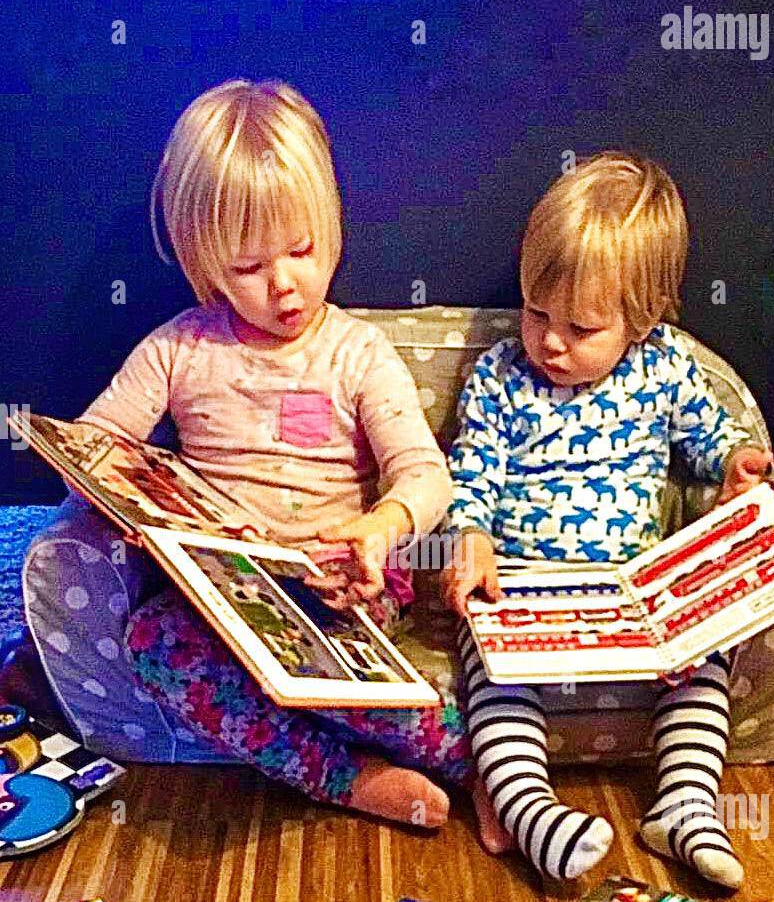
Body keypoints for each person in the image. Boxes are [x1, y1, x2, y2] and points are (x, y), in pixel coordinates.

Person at [19, 78, 472, 827]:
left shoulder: (356, 352)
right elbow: (96, 442)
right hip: (225, 592)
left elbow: (426, 474)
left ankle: (481, 773)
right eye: (248, 267)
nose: (284, 285)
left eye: (301, 249)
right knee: (154, 639)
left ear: (331, 225)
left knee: (391, 705)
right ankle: (346, 779)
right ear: (205, 262)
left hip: (340, 585)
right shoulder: (180, 349)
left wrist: (382, 527)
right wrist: (115, 500)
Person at [440, 152, 773, 887]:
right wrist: (470, 537)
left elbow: (708, 435)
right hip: (522, 590)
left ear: (642, 318)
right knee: (490, 677)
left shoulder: (664, 369)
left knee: (703, 662)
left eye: (581, 326)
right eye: (535, 313)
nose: (551, 342)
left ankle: (683, 805)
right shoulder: (499, 375)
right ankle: (528, 809)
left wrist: (733, 462)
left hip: (632, 591)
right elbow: (472, 470)